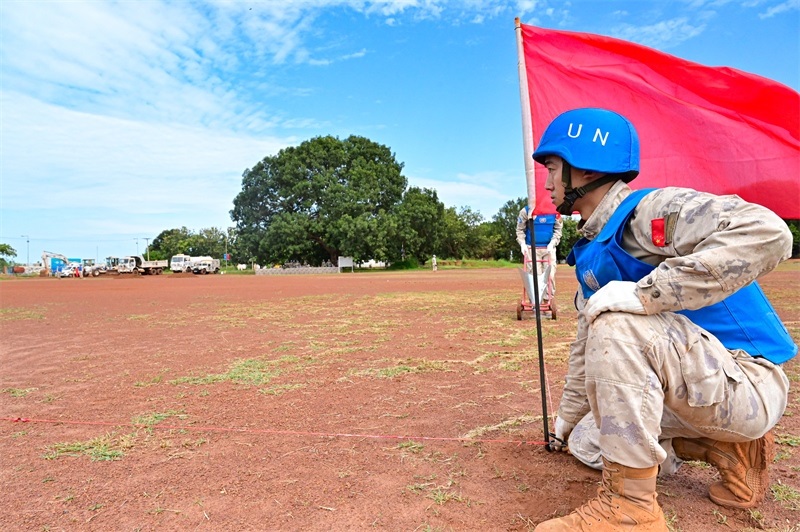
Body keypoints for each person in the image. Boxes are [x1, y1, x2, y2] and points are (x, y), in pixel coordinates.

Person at [530, 108, 796, 531]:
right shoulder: (590, 250)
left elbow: (768, 233)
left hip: (747, 379)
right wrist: (564, 420)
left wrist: (645, 294)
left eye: (552, 168)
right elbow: (585, 348)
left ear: (583, 170)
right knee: (587, 441)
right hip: (696, 385)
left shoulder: (650, 210)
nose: (546, 183)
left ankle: (630, 509)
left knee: (616, 320)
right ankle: (726, 449)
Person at [516, 206, 562, 300]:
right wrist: (522, 243)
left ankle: (547, 301)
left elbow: (558, 230)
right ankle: (535, 302)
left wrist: (553, 243)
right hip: (531, 248)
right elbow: (520, 229)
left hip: (549, 248)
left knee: (550, 275)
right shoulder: (526, 211)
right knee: (534, 276)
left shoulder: (555, 211)